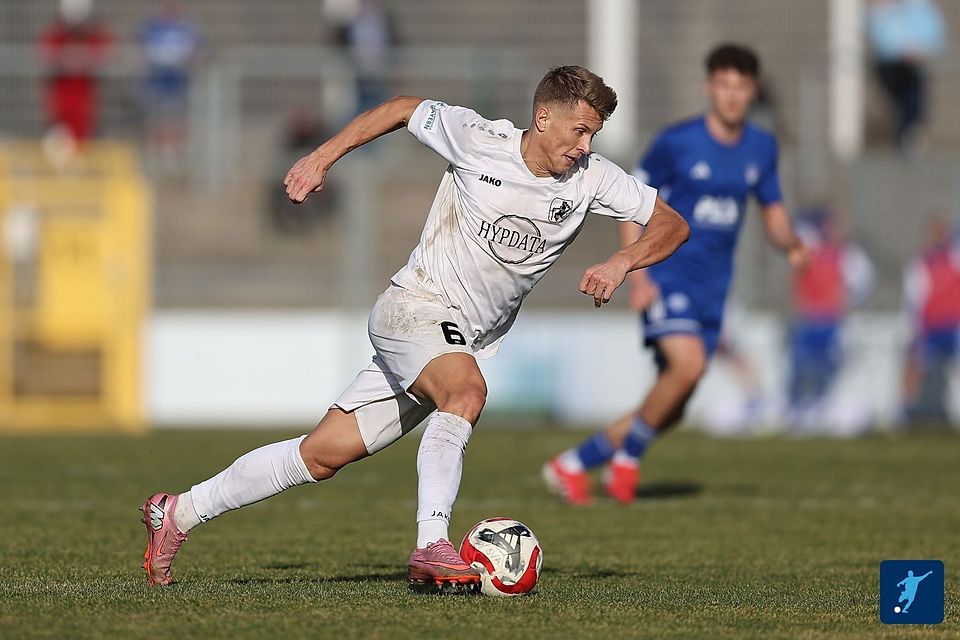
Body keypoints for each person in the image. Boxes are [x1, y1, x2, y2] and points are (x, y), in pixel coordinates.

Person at [140, 66, 689, 588]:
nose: (586, 146)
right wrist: (322, 157)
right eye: (580, 131)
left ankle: (179, 511)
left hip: (455, 338)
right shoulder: (479, 139)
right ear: (543, 118)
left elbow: (672, 223)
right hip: (415, 307)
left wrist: (623, 261)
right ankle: (432, 545)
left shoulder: (592, 179)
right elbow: (403, 109)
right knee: (465, 392)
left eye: (593, 135)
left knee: (322, 455)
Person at [545, 44, 811, 506]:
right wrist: (636, 272)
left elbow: (773, 211)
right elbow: (633, 204)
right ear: (710, 87)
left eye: (741, 87)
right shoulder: (677, 142)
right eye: (724, 86)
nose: (732, 96)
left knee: (672, 406)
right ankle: (627, 461)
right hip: (668, 274)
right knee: (688, 368)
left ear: (752, 91)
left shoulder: (761, 147)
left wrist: (792, 245)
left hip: (714, 287)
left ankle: (572, 464)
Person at [787, 209, 874, 430]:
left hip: (832, 321)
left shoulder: (844, 253)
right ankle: (796, 408)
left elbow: (864, 279)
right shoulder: (809, 247)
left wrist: (847, 297)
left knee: (828, 366)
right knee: (801, 365)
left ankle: (822, 405)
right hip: (808, 319)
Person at [901, 213, 960, 426]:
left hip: (954, 327)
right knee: (915, 366)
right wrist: (913, 330)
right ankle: (906, 412)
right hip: (930, 327)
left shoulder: (955, 258)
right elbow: (913, 300)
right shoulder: (920, 263)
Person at [866, 0, 947, 152]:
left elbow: (936, 35)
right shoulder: (883, 8)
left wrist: (921, 50)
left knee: (913, 105)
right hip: (891, 68)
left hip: (913, 69)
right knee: (903, 105)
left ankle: (908, 136)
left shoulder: (919, 6)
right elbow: (880, 34)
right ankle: (903, 136)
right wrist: (902, 50)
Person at [138, 0, 203, 169]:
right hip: (157, 83)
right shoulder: (152, 26)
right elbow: (143, 49)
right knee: (156, 120)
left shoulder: (188, 27)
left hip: (179, 83)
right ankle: (157, 157)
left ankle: (179, 157)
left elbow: (196, 51)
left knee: (178, 119)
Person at [38, 0, 112, 143]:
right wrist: (66, 59)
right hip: (61, 97)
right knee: (60, 140)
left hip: (86, 97)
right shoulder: (56, 34)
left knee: (86, 139)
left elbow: (107, 51)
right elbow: (45, 53)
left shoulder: (94, 34)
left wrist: (84, 59)